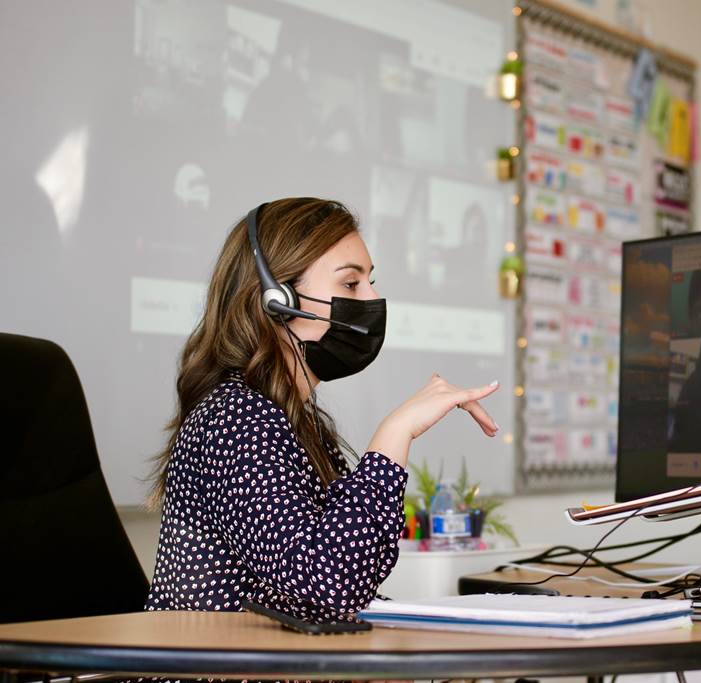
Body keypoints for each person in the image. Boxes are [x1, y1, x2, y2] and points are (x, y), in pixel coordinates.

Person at [146, 197, 499, 623]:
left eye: (370, 282)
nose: (373, 299)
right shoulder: (233, 418)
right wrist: (396, 432)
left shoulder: (294, 419)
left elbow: (351, 577)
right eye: (351, 285)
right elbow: (330, 581)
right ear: (277, 300)